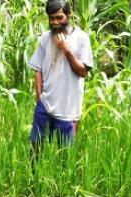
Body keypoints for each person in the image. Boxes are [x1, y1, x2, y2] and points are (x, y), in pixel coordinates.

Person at [29, 0, 94, 149]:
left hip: (68, 110)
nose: (55, 22)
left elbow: (83, 71)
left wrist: (66, 50)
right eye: (52, 18)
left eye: (59, 17)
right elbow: (37, 68)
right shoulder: (45, 38)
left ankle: (60, 173)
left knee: (65, 152)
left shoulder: (81, 38)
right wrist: (39, 95)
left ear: (68, 15)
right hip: (45, 105)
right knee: (36, 145)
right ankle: (35, 173)